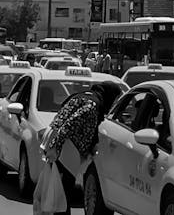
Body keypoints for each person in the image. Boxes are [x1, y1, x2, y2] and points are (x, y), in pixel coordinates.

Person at [40, 81, 122, 215]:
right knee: (63, 191)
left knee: (59, 190)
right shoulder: (92, 105)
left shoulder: (81, 96)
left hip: (59, 146)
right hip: (67, 150)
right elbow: (69, 125)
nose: (113, 103)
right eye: (114, 99)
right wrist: (56, 148)